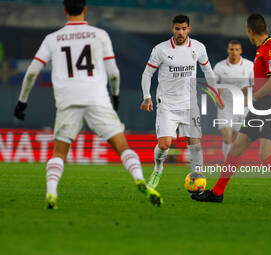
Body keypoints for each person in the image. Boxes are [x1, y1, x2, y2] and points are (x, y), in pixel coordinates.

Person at [13, 0, 162, 209]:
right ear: (85, 9)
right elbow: (113, 72)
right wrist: (116, 94)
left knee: (59, 152)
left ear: (64, 10)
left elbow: (31, 72)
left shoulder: (52, 39)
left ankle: (51, 193)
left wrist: (22, 101)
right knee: (122, 146)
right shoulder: (99, 35)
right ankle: (140, 179)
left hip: (67, 100)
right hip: (96, 97)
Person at [191, 13, 271, 206]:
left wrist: (252, 97)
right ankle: (217, 193)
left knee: (266, 154)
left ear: (250, 31)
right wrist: (251, 90)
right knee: (236, 147)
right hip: (264, 105)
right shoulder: (263, 50)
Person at [140, 14, 223, 189]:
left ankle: (197, 179)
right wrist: (147, 96)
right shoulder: (160, 50)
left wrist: (216, 91)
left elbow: (207, 70)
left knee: (195, 143)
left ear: (188, 29)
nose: (180, 32)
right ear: (173, 29)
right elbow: (147, 73)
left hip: (190, 104)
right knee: (165, 144)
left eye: (184, 29)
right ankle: (158, 169)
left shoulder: (198, 47)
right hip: (167, 104)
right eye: (177, 29)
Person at [213, 40, 253, 160]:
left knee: (237, 140)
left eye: (237, 50)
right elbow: (213, 85)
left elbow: (256, 85)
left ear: (240, 51)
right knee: (227, 137)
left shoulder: (249, 65)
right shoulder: (220, 67)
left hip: (243, 107)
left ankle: (233, 161)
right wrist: (217, 98)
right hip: (225, 106)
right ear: (228, 50)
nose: (234, 52)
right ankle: (227, 164)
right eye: (232, 49)